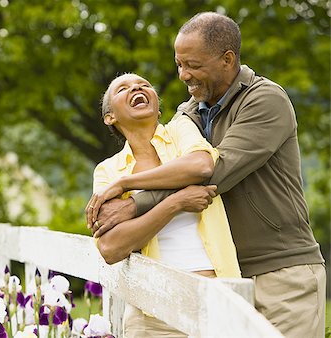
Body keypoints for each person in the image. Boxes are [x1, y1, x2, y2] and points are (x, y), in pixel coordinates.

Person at [86, 12, 325, 338]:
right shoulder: (190, 112)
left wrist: (132, 200)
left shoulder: (265, 100)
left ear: (227, 60)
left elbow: (213, 172)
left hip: (280, 269)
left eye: (193, 65)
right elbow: (112, 246)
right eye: (179, 64)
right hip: (232, 276)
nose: (184, 75)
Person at [88, 72, 240, 337]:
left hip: (217, 294)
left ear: (158, 107)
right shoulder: (107, 170)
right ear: (110, 117)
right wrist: (176, 202)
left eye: (144, 85)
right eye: (123, 88)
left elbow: (201, 165)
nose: (137, 88)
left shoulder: (181, 128)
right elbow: (111, 247)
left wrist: (126, 185)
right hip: (152, 309)